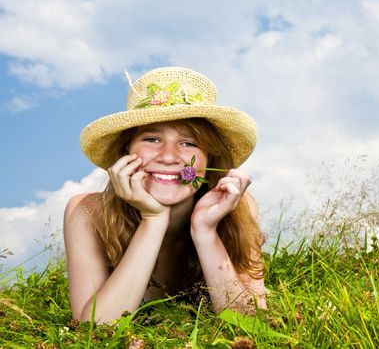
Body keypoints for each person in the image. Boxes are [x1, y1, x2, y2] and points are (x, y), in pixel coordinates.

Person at [63, 67, 267, 323]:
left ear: (210, 158)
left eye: (189, 143)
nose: (169, 157)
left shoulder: (236, 207)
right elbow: (94, 329)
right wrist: (153, 219)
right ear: (126, 150)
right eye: (151, 139)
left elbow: (250, 325)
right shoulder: (88, 212)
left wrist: (205, 232)